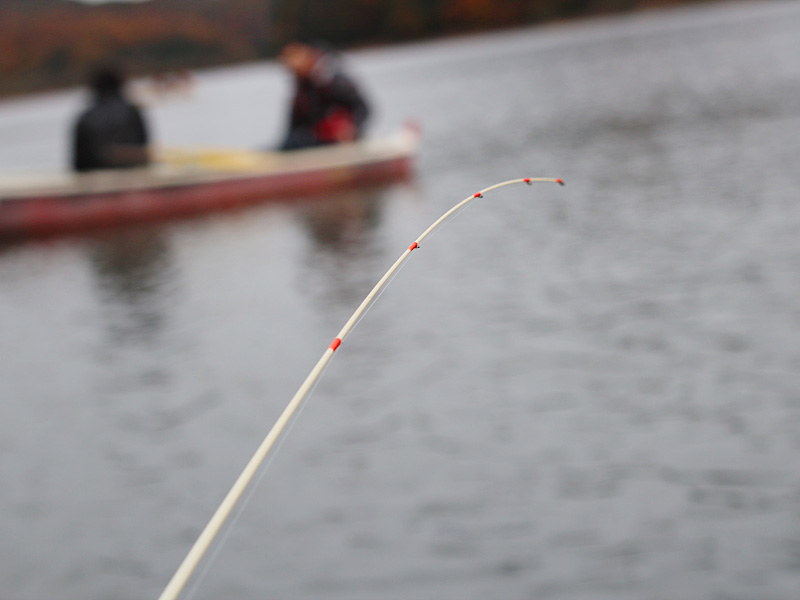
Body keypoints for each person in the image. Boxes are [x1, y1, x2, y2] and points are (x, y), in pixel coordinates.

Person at [278, 42, 370, 151]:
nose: (293, 70)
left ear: (309, 58)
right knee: (293, 142)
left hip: (341, 142)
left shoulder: (334, 83)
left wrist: (352, 129)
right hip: (316, 143)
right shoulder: (302, 90)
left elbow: (363, 108)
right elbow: (293, 128)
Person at [72, 66, 150, 172]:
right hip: (134, 177)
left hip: (98, 181)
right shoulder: (132, 112)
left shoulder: (84, 119)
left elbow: (78, 165)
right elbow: (145, 149)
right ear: (120, 85)